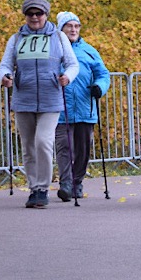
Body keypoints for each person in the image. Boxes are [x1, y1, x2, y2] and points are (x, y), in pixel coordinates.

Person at [0, 0, 80, 209]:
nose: (35, 17)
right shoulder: (16, 38)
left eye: (39, 13)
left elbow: (73, 64)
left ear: (46, 15)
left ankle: (43, 188)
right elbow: (5, 64)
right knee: (28, 146)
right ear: (25, 15)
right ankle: (33, 188)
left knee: (43, 142)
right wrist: (5, 77)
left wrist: (67, 77)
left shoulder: (59, 37)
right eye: (30, 14)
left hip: (50, 98)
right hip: (23, 98)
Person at [54, 11, 111, 201]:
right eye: (69, 26)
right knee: (64, 147)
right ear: (61, 29)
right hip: (61, 110)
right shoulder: (54, 49)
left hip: (86, 108)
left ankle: (77, 182)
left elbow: (103, 74)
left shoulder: (89, 50)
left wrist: (99, 88)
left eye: (76, 26)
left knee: (83, 149)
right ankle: (66, 184)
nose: (73, 29)